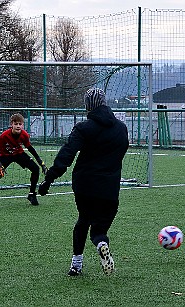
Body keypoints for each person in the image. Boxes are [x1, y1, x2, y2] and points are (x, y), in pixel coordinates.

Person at [38, 88, 129, 276]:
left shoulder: (83, 128)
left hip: (85, 185)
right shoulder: (122, 129)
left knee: (83, 220)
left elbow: (67, 154)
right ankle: (101, 242)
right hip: (110, 187)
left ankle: (76, 265)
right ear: (105, 103)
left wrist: (49, 178)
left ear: (87, 106)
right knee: (99, 229)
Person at [0, 113, 47, 208]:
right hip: (6, 156)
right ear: (11, 124)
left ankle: (32, 194)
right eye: (15, 124)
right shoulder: (4, 135)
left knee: (35, 169)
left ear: (22, 125)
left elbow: (30, 148)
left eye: (20, 124)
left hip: (18, 154)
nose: (18, 126)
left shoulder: (24, 135)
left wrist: (41, 163)